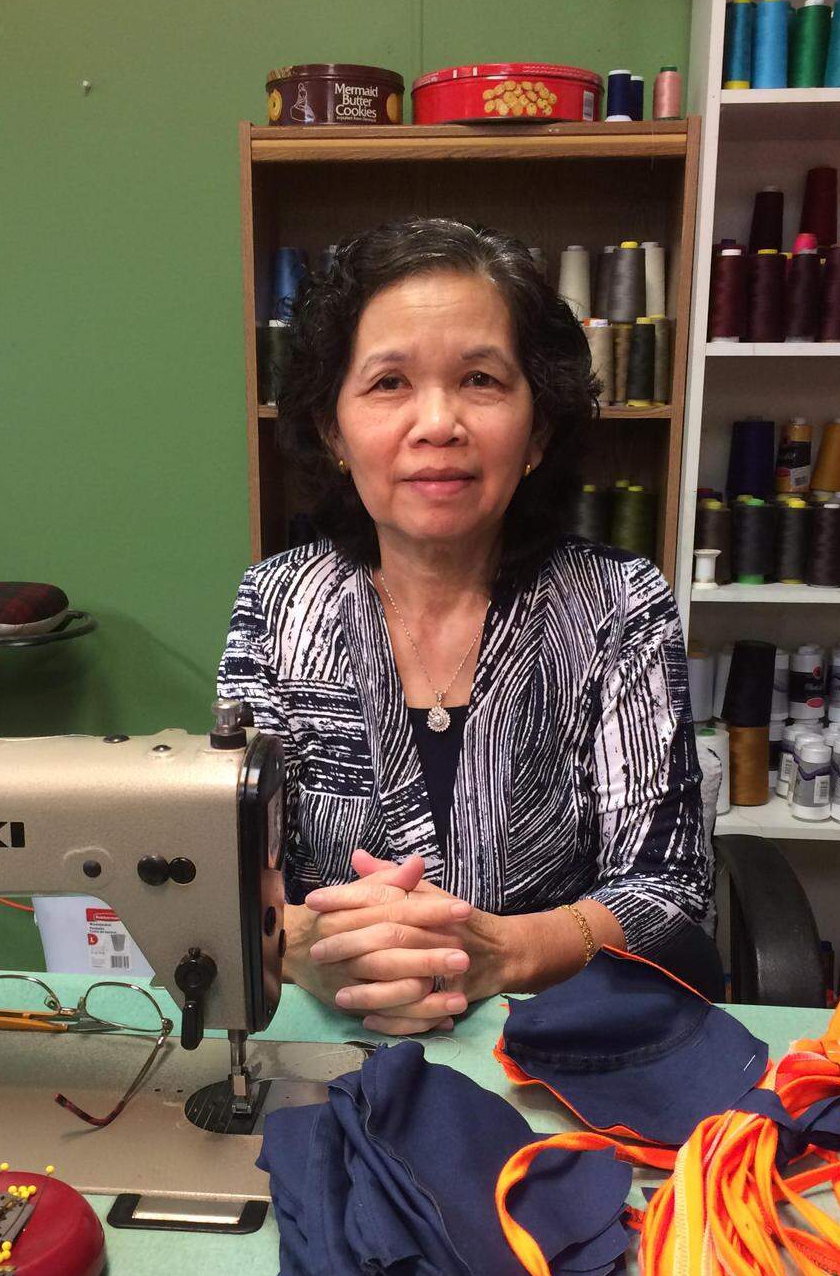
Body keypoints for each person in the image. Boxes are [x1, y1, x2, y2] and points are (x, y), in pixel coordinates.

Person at [219, 217, 713, 1036]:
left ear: (538, 429)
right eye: (389, 384)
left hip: (557, 1044)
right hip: (338, 1035)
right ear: (334, 431)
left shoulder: (619, 604)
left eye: (481, 380)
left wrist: (502, 951)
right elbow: (239, 874)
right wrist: (307, 943)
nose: (438, 422)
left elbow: (666, 887)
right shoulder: (278, 605)